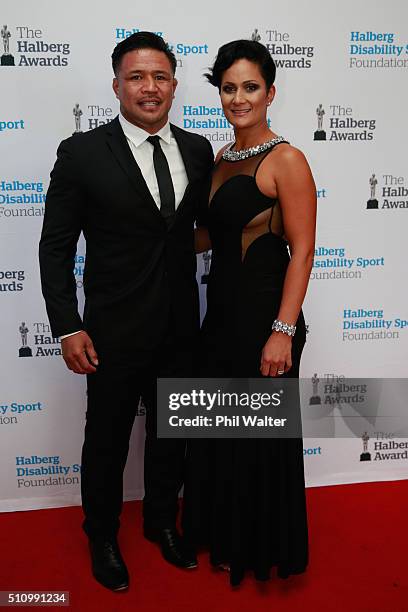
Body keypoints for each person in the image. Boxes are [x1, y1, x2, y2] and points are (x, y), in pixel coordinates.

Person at [39, 31, 213, 591]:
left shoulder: (197, 148)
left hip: (182, 326)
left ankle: (162, 523)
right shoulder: (83, 152)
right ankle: (103, 534)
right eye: (137, 76)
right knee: (107, 441)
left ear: (175, 86)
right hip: (112, 330)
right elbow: (56, 247)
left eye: (160, 76)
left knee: (171, 435)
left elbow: (194, 233)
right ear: (116, 85)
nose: (149, 87)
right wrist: (67, 324)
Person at [182, 39, 316, 586]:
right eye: (229, 87)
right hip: (222, 319)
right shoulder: (220, 159)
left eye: (250, 87)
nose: (238, 98)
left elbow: (302, 251)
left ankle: (259, 546)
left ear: (271, 92)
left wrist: (282, 332)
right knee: (222, 432)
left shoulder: (287, 159)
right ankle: (224, 534)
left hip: (266, 321)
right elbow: (208, 238)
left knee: (258, 438)